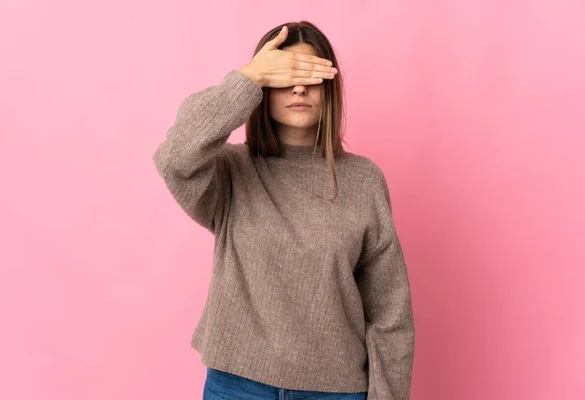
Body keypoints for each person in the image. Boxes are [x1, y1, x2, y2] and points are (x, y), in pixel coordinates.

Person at [152, 20, 416, 400]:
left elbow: (391, 314)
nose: (298, 86)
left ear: (330, 88)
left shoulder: (364, 181)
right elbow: (174, 158)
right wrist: (248, 78)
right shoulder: (230, 171)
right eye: (284, 74)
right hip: (237, 384)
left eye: (310, 75)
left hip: (335, 390)